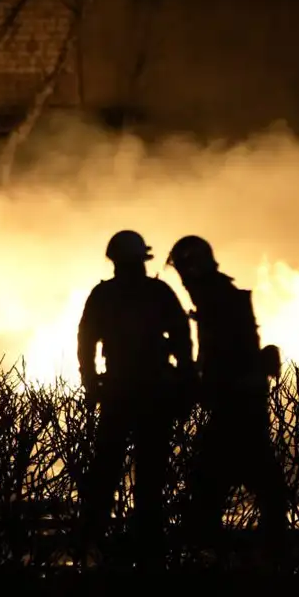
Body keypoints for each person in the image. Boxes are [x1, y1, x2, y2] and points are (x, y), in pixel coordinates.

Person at [77, 229, 195, 569]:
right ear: (143, 259)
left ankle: (93, 544)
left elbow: (86, 341)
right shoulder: (157, 293)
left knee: (106, 470)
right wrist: (185, 376)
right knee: (150, 476)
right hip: (153, 394)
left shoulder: (104, 295)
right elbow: (183, 338)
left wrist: (89, 382)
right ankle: (148, 548)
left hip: (118, 393)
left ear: (114, 260)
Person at [165, 235, 288, 562]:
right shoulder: (216, 296)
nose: (182, 279)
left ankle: (220, 550)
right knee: (244, 474)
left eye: (183, 270)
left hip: (237, 402)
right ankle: (264, 545)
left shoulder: (217, 298)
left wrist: (194, 383)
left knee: (223, 474)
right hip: (239, 400)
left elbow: (225, 355)